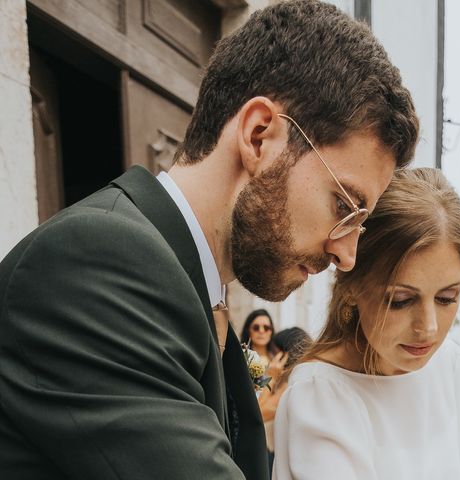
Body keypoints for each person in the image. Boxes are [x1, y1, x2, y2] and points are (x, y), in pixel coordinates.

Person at [0, 2, 419, 479]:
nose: (347, 256)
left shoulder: (192, 283)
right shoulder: (96, 261)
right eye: (344, 206)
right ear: (260, 136)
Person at [273, 168, 460, 479]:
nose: (429, 328)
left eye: (447, 298)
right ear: (352, 285)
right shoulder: (322, 393)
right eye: (401, 300)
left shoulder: (449, 362)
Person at [258, 327, 311, 476]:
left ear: (283, 354)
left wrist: (270, 376)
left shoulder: (293, 382)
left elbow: (258, 413)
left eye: (273, 352)